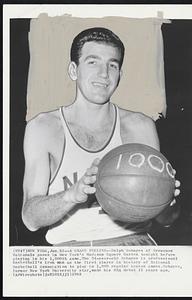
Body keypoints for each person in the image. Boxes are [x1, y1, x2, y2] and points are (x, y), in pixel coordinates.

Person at [22, 27, 180, 246]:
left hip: (133, 245)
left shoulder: (141, 126)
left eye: (112, 65)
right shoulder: (44, 128)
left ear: (120, 75)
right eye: (93, 62)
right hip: (71, 252)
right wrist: (72, 195)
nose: (104, 74)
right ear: (74, 70)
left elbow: (166, 220)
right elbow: (30, 218)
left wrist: (166, 202)